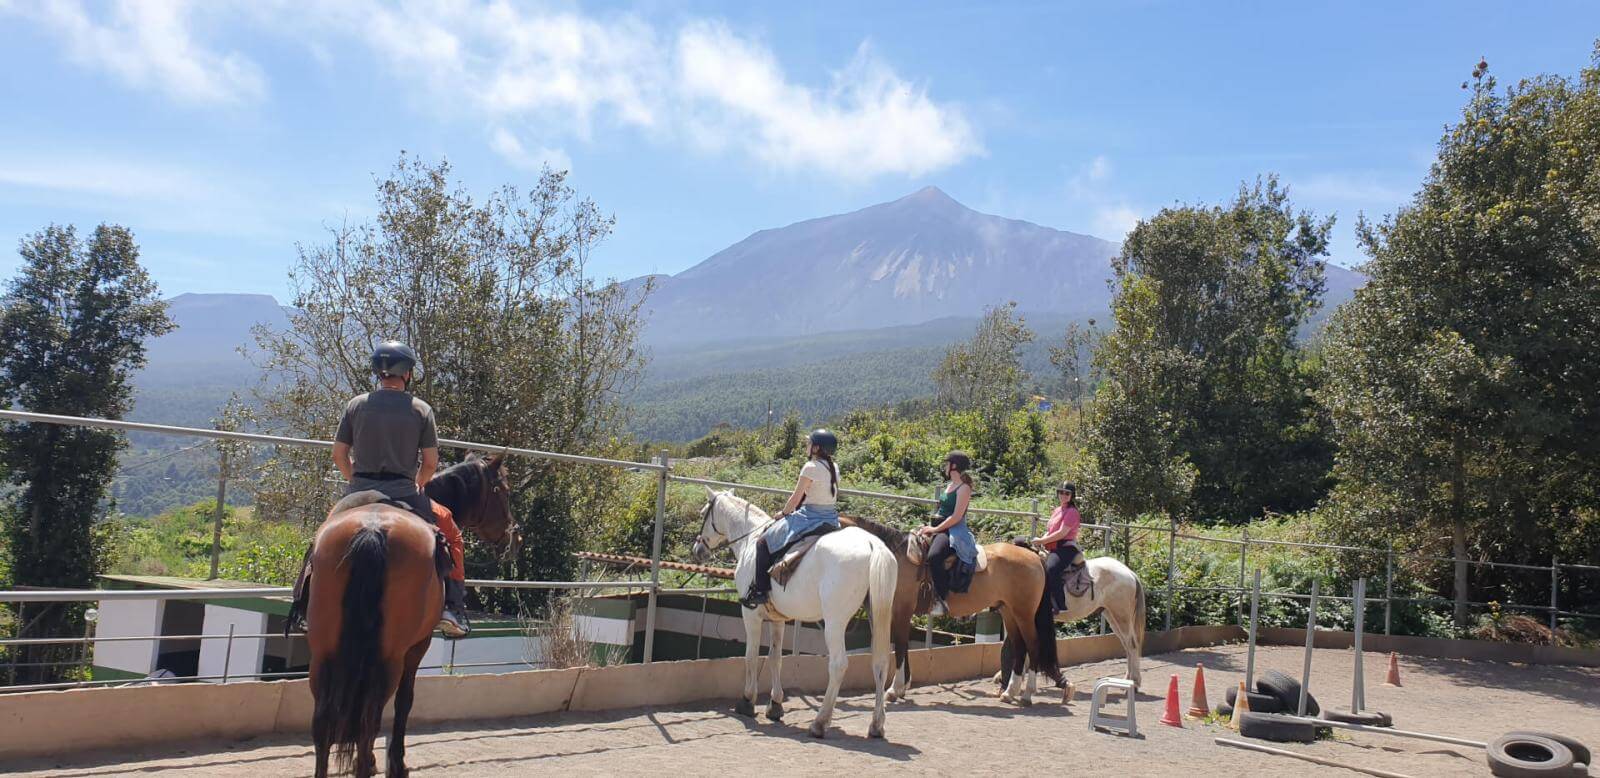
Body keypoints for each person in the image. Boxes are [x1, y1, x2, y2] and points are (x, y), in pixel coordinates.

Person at [330, 340, 470, 637]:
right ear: (407, 373)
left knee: (323, 537)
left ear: (377, 373)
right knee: (449, 534)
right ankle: (453, 609)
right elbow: (431, 464)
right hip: (404, 492)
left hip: (359, 490)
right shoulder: (421, 410)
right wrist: (417, 485)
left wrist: (354, 481)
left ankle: (302, 605)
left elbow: (339, 455)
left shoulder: (356, 405)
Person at [742, 429, 842, 609]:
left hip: (811, 517)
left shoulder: (810, 467)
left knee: (763, 542)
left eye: (809, 443)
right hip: (832, 518)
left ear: (816, 448)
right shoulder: (834, 467)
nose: (807, 445)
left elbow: (796, 498)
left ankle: (760, 591)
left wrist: (784, 513)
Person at [919, 451, 979, 616]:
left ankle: (942, 599)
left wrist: (935, 530)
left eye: (947, 464)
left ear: (954, 466)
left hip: (953, 531)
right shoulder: (950, 485)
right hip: (939, 527)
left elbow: (956, 516)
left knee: (934, 556)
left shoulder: (964, 488)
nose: (945, 467)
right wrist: (928, 527)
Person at [1033, 482, 1083, 614]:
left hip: (1065, 548)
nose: (1063, 495)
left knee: (1051, 569)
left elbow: (1062, 533)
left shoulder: (1072, 512)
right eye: (1061, 492)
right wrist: (1040, 541)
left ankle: (1060, 605)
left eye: (1067, 493)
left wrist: (1042, 540)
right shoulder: (1057, 510)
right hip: (1052, 546)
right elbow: (1050, 530)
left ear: (1072, 496)